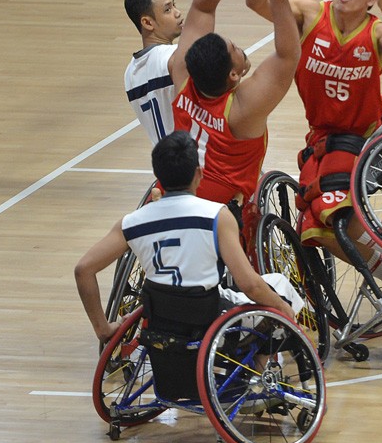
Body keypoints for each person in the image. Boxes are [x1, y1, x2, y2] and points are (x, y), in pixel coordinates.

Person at [245, 0, 382, 305]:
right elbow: (256, 3)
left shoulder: (376, 30)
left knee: (334, 215)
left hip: (367, 134)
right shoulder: (309, 13)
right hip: (323, 137)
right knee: (314, 226)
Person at [75, 131, 299, 343]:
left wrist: (103, 329)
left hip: (160, 323)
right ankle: (259, 375)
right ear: (199, 174)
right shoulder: (217, 216)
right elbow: (250, 285)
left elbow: (83, 270)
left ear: (157, 176)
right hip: (210, 325)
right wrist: (282, 307)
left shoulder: (131, 222)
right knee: (279, 288)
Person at [170, 0, 302, 212]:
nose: (237, 45)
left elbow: (202, 7)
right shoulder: (242, 110)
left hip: (171, 193)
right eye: (234, 49)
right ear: (233, 74)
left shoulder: (182, 73)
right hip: (218, 207)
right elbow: (288, 55)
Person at [123, 0, 183, 145]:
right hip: (199, 164)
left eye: (174, 5)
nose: (177, 13)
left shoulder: (130, 74)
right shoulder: (174, 56)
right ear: (147, 22)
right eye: (167, 9)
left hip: (166, 166)